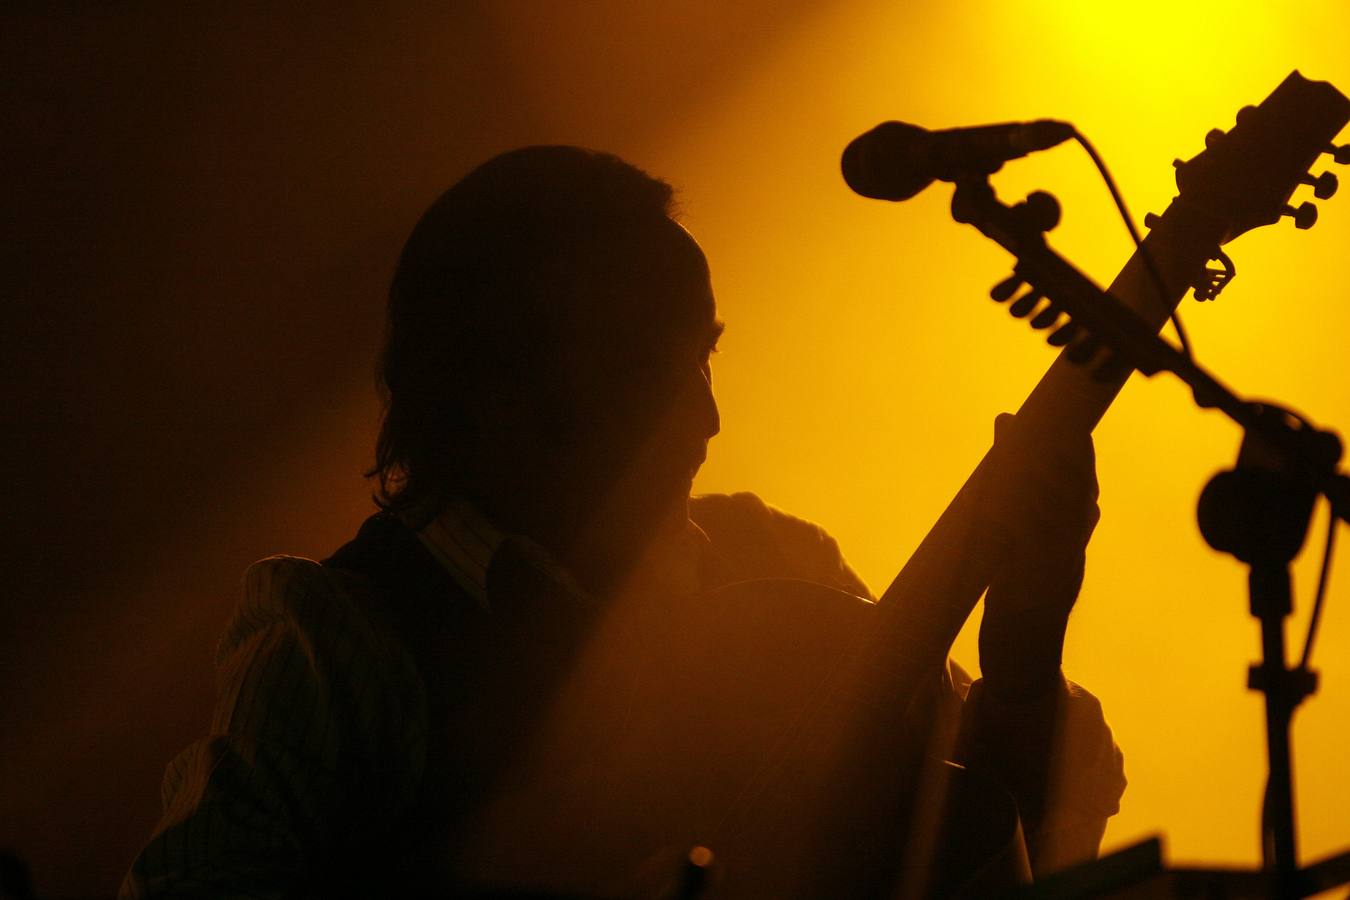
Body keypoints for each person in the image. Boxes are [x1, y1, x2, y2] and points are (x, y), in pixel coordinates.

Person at [121, 145, 1125, 898]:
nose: (708, 415)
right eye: (651, 370)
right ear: (497, 396)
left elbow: (1003, 852)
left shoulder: (785, 561)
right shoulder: (338, 639)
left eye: (707, 358)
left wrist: (1026, 647)